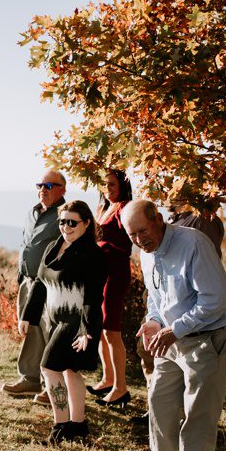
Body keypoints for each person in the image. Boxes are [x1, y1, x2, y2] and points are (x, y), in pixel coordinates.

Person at [122, 199, 226, 451]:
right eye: (132, 235)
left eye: (142, 231)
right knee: (159, 401)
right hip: (170, 337)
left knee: (198, 413)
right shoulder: (145, 253)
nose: (138, 240)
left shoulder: (194, 244)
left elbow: (215, 300)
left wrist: (175, 328)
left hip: (208, 337)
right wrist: (153, 321)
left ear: (158, 219)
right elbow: (156, 296)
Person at [20, 200, 106, 444]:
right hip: (55, 320)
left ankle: (61, 426)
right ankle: (78, 427)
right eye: (62, 221)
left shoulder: (93, 255)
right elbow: (39, 283)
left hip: (76, 322)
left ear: (87, 223)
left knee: (49, 368)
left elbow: (92, 298)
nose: (66, 227)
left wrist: (86, 330)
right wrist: (28, 315)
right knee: (70, 370)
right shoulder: (53, 247)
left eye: (72, 222)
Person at [3, 171, 66, 399]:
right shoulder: (32, 212)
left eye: (49, 185)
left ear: (62, 189)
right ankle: (30, 380)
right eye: (40, 184)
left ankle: (54, 387)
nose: (43, 189)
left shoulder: (63, 214)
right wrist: (21, 275)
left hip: (50, 284)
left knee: (50, 332)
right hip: (28, 280)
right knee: (32, 330)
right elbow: (25, 242)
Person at [88, 169, 135, 409]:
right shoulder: (103, 208)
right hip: (100, 273)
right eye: (104, 185)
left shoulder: (125, 207)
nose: (108, 188)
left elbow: (129, 240)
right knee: (101, 328)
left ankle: (121, 387)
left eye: (112, 184)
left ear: (122, 186)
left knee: (112, 330)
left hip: (115, 272)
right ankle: (107, 379)